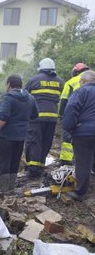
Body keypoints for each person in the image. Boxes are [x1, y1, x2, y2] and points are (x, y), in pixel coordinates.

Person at [0, 75, 39, 195]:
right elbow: (35, 115)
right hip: (21, 137)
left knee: (3, 162)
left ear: (8, 84)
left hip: (5, 136)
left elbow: (3, 118)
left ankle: (3, 189)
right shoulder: (30, 98)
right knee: (14, 161)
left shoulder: (8, 98)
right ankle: (11, 188)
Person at [24, 58, 64, 178]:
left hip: (37, 117)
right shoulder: (60, 82)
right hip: (52, 118)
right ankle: (40, 166)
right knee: (46, 142)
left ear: (41, 68)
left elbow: (25, 96)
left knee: (34, 141)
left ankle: (33, 169)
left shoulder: (34, 80)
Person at [62, 70, 95, 201]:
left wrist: (69, 129)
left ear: (83, 81)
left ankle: (80, 192)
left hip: (84, 133)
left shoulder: (81, 92)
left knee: (83, 163)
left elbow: (71, 110)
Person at [59, 63, 90, 165]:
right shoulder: (92, 81)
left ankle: (66, 160)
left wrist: (62, 116)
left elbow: (64, 100)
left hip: (73, 111)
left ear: (76, 72)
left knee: (68, 135)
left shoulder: (70, 82)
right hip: (88, 114)